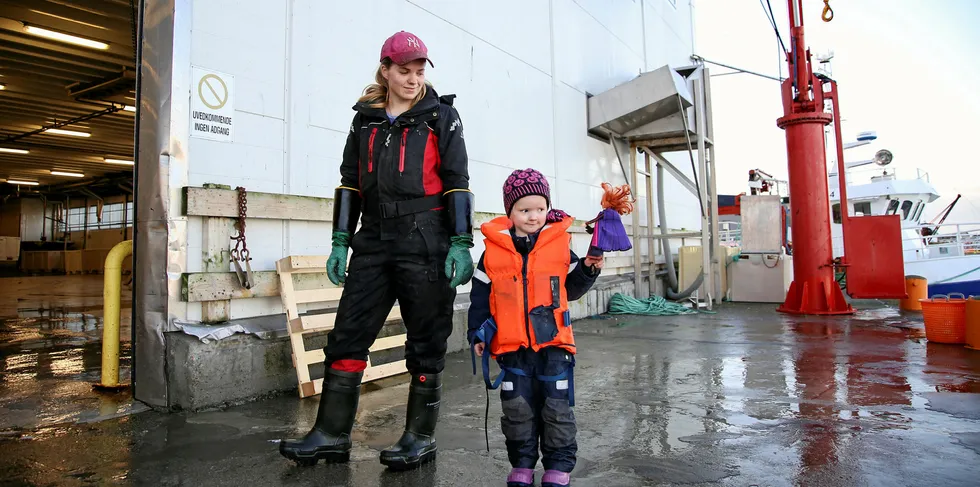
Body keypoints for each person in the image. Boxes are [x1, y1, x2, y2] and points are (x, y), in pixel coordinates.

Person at [279, 30, 475, 470]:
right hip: (373, 237)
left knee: (426, 340)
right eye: (403, 71)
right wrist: (340, 241)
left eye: (420, 71)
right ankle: (330, 434)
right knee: (348, 334)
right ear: (385, 70)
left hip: (426, 237)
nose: (412, 79)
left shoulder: (442, 116)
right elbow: (349, 180)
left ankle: (420, 437)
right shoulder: (364, 119)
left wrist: (462, 241)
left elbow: (458, 180)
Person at [468, 168, 603, 487]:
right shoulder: (492, 251)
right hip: (512, 349)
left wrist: (587, 269)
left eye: (540, 209)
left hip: (553, 344)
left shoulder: (559, 244)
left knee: (557, 409)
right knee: (517, 410)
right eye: (524, 210)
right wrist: (477, 333)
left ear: (548, 208)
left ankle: (558, 467)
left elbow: (572, 286)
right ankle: (522, 465)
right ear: (509, 212)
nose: (533, 216)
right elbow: (479, 296)